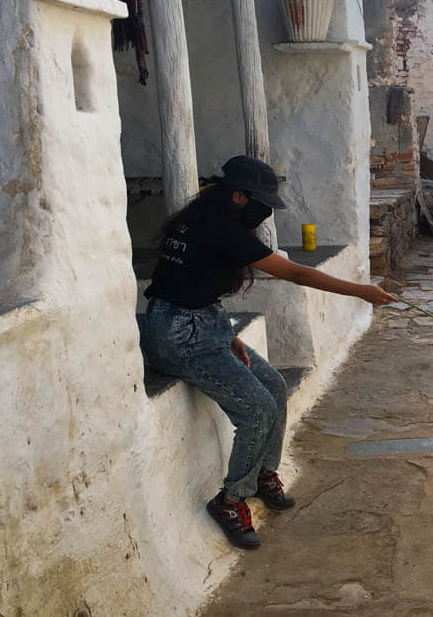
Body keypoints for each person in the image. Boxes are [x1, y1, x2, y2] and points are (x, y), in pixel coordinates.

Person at [139, 155, 396, 549]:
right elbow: (296, 272)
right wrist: (362, 290)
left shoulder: (201, 216)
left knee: (273, 386)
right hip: (178, 334)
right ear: (239, 196)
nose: (263, 213)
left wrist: (225, 332)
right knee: (256, 409)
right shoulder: (223, 228)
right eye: (259, 202)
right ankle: (230, 500)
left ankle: (261, 473)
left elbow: (189, 283)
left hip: (201, 322)